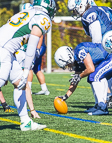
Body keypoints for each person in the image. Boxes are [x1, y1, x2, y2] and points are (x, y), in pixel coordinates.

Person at [0, 0, 56, 131]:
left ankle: (25, 121)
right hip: (4, 50)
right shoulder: (43, 17)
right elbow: (32, 45)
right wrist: (26, 71)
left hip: (7, 50)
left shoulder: (26, 12)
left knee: (20, 82)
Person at [67, 0, 112, 107]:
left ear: (81, 5)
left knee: (98, 70)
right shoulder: (105, 9)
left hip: (107, 43)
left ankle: (107, 98)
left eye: (75, 10)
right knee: (110, 69)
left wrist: (96, 52)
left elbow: (97, 38)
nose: (75, 13)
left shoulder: (89, 14)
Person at [54, 43, 112, 115]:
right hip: (110, 58)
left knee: (94, 76)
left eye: (67, 64)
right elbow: (75, 80)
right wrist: (66, 96)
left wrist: (80, 76)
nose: (69, 66)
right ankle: (98, 105)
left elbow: (91, 69)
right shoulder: (77, 60)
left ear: (68, 56)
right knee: (92, 76)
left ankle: (102, 107)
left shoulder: (80, 51)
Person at [21, 2, 50, 96]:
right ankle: (44, 89)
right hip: (39, 47)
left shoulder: (36, 19)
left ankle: (27, 88)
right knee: (37, 69)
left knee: (28, 67)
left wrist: (37, 49)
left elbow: (40, 36)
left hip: (39, 47)